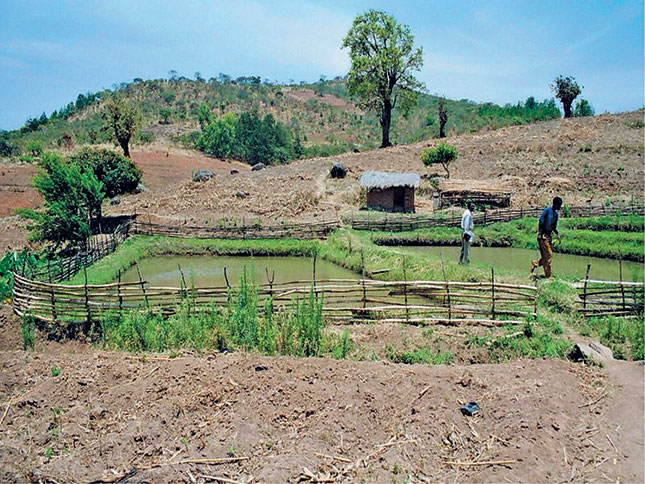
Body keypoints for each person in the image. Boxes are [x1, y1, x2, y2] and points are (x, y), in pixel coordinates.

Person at [530, 196, 563, 278]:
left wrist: (557, 234)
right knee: (549, 255)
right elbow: (541, 222)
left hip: (549, 237)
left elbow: (554, 227)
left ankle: (535, 263)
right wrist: (540, 233)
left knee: (546, 256)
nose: (560, 207)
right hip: (543, 236)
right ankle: (548, 275)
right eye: (559, 205)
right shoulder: (547, 211)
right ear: (555, 204)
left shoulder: (556, 214)